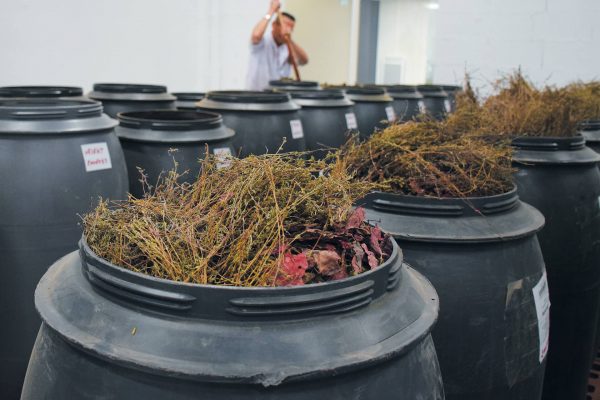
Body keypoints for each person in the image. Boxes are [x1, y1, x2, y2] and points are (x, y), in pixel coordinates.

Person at [245, 0, 309, 91]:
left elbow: (304, 60)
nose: (288, 30)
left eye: (291, 28)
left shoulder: (288, 48)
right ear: (274, 26)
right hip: (257, 98)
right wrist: (271, 11)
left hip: (278, 100)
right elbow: (255, 36)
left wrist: (289, 39)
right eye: (285, 26)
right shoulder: (263, 42)